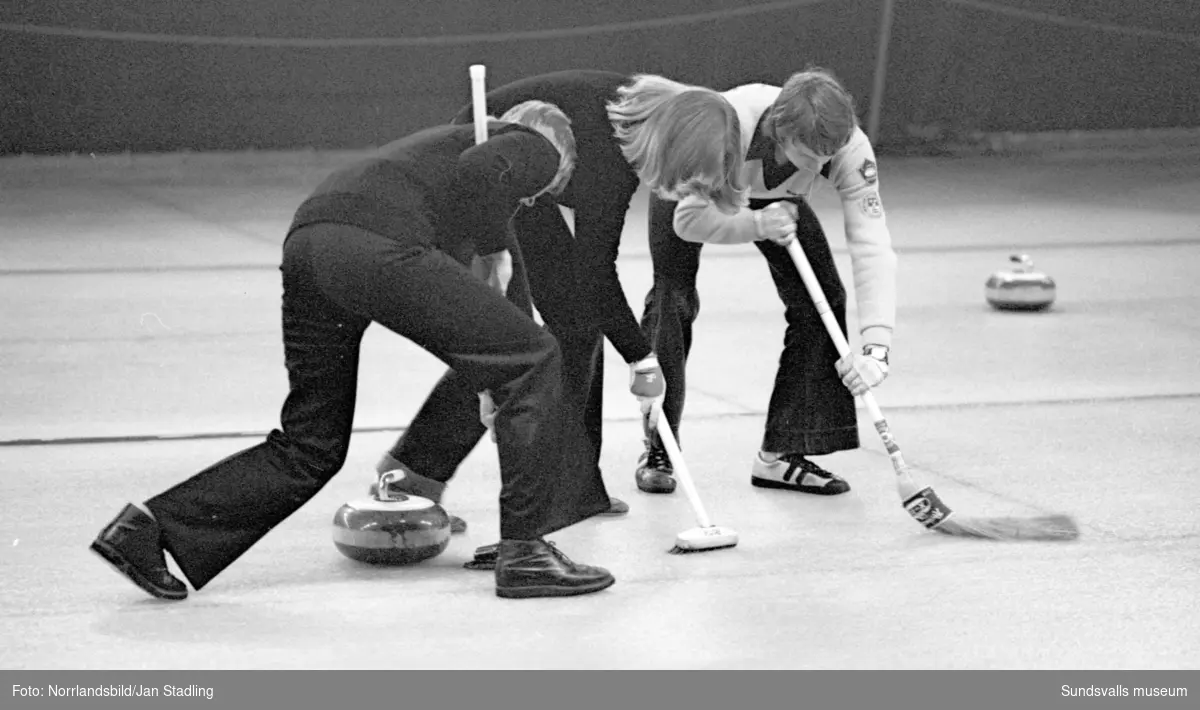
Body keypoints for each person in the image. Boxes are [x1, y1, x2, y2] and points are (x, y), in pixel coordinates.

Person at [89, 108, 619, 601]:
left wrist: (492, 378)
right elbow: (486, 182)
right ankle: (526, 550)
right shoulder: (532, 143)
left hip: (311, 244)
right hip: (374, 243)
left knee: (311, 445)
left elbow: (502, 320)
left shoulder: (436, 170)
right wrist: (496, 248)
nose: (528, 203)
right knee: (537, 356)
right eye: (534, 195)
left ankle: (146, 529)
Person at [372, 70, 748, 539]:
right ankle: (410, 474)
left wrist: (638, 358)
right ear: (667, 145)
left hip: (540, 177)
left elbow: (593, 270)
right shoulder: (609, 154)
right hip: (490, 169)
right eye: (679, 176)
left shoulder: (640, 141)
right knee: (509, 344)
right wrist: (640, 356)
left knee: (577, 327)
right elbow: (596, 275)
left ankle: (572, 487)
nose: (673, 192)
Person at [635, 67, 899, 497]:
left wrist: (877, 347)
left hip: (775, 198)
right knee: (673, 298)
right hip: (696, 179)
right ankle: (660, 445)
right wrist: (757, 222)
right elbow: (690, 222)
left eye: (827, 156)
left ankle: (784, 451)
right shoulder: (725, 127)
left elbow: (872, 242)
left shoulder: (850, 147)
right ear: (780, 131)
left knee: (823, 299)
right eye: (809, 155)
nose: (819, 169)